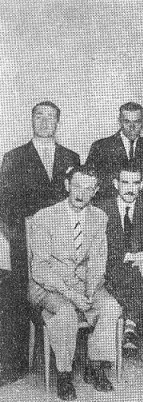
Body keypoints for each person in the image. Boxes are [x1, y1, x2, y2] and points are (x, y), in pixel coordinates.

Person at [0, 101, 80, 382]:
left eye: (51, 117)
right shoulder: (14, 157)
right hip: (25, 245)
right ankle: (18, 364)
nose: (45, 121)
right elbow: (4, 204)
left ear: (58, 122)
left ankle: (65, 360)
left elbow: (78, 203)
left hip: (62, 245)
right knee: (19, 297)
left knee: (64, 292)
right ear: (31, 120)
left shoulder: (71, 157)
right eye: (39, 116)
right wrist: (21, 236)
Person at [28, 165, 121, 401]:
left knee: (111, 307)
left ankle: (95, 365)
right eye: (77, 186)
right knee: (67, 312)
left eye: (88, 189)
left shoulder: (99, 217)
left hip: (84, 284)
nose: (81, 193)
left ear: (96, 191)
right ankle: (64, 374)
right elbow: (40, 268)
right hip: (50, 285)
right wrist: (71, 294)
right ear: (67, 185)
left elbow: (98, 259)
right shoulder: (44, 217)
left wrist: (90, 291)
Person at [96, 163, 143, 372]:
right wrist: (131, 258)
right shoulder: (101, 210)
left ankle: (131, 325)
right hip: (108, 271)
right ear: (115, 184)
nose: (131, 188)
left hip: (139, 273)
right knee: (135, 276)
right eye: (125, 182)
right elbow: (99, 248)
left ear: (142, 184)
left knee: (135, 276)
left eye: (136, 183)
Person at [86, 102, 143, 202]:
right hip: (110, 207)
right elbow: (88, 183)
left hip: (142, 209)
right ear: (120, 121)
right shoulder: (100, 147)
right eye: (127, 122)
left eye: (137, 122)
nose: (132, 127)